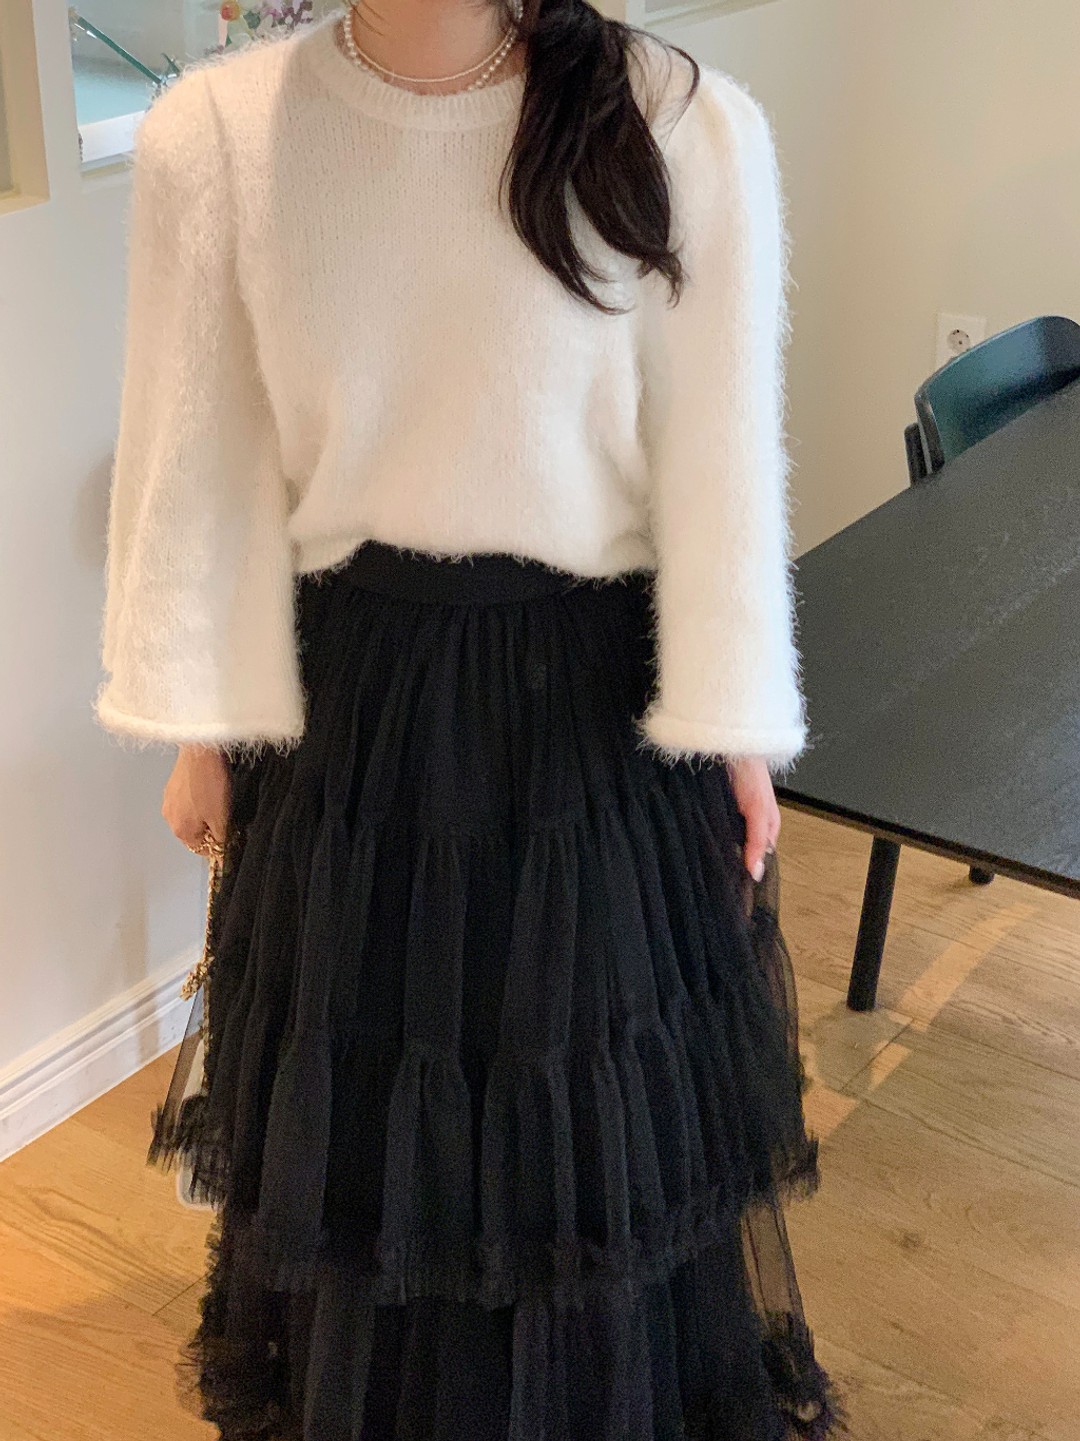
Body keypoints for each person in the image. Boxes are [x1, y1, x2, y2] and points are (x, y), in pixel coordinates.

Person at [94, 0, 849, 1436]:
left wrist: (737, 730)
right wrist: (200, 725)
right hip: (349, 719)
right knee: (374, 1114)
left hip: (594, 718)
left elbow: (720, 458)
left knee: (586, 1134)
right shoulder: (220, 137)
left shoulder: (678, 123)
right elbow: (202, 457)